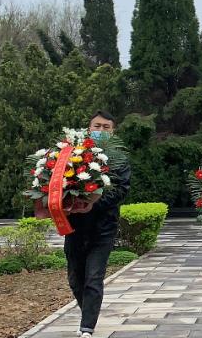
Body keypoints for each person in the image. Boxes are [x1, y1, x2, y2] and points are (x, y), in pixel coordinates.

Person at [64, 111, 131, 338]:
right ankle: (89, 314)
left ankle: (86, 329)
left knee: (93, 277)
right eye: (97, 126)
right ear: (88, 128)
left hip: (103, 228)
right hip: (74, 226)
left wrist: (93, 203)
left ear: (113, 132)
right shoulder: (74, 154)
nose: (101, 131)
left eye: (106, 127)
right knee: (75, 278)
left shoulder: (119, 160)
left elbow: (121, 190)